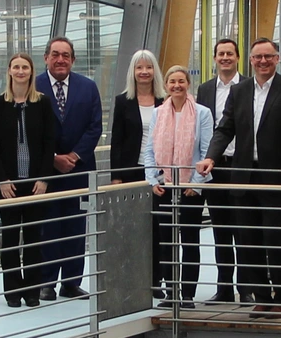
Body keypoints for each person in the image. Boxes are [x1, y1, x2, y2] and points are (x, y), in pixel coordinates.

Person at [196, 37, 281, 319]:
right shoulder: (240, 90)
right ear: (251, 60)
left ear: (277, 58)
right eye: (258, 57)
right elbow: (225, 128)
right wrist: (210, 156)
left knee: (272, 237)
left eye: (268, 57)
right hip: (243, 175)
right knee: (247, 239)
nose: (263, 62)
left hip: (275, 174)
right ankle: (261, 296)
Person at [35, 36, 102, 301]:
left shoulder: (88, 87)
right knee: (48, 227)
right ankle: (46, 282)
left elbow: (95, 126)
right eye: (55, 54)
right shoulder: (34, 85)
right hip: (45, 172)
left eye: (65, 55)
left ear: (73, 59)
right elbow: (31, 129)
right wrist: (53, 158)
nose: (60, 59)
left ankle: (71, 283)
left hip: (79, 169)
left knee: (76, 227)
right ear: (46, 58)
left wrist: (73, 156)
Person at [0, 53, 55, 308]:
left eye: (25, 67)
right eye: (16, 66)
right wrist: (2, 179)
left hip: (36, 183)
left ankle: (33, 291)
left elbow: (50, 143)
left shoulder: (42, 103)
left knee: (35, 238)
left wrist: (45, 179)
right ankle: (12, 291)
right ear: (9, 71)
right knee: (11, 239)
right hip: (9, 186)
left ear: (31, 71)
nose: (20, 71)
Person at [145, 65, 213, 309]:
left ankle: (187, 295)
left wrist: (196, 184)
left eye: (181, 81)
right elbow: (150, 150)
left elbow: (206, 151)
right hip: (165, 186)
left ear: (188, 84)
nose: (176, 86)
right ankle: (171, 292)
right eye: (172, 81)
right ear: (166, 85)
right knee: (166, 241)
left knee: (189, 241)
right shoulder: (158, 113)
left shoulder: (202, 113)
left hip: (190, 188)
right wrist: (153, 179)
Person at [196, 38, 253, 305]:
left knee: (244, 229)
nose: (225, 57)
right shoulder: (205, 90)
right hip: (215, 169)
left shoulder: (250, 87)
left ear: (238, 57)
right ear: (215, 58)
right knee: (221, 231)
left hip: (242, 167)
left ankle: (247, 287)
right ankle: (224, 288)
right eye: (221, 54)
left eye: (230, 53)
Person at [109, 49, 166, 299]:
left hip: (160, 174)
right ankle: (130, 280)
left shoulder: (165, 99)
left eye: (149, 67)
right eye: (139, 67)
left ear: (155, 71)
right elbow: (117, 141)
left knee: (158, 229)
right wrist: (117, 176)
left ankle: (156, 281)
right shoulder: (123, 101)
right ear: (133, 72)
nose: (144, 72)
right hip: (131, 173)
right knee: (131, 229)